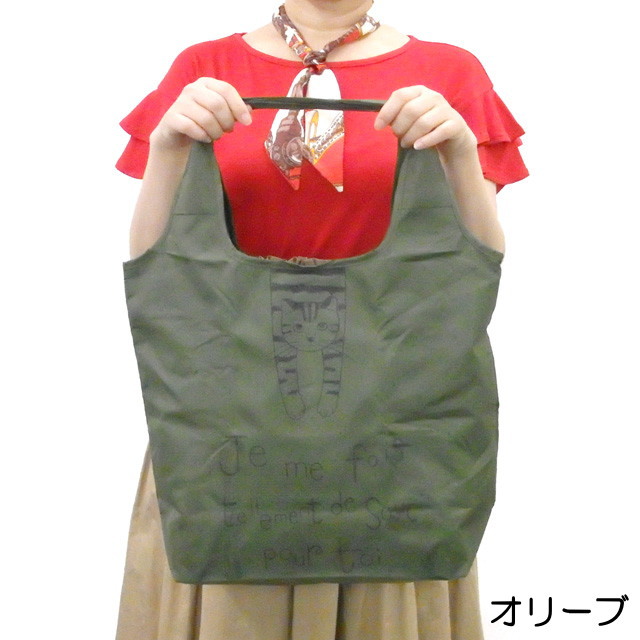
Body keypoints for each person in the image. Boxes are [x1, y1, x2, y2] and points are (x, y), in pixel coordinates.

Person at [116, 1, 528, 638]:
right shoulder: (204, 68)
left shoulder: (449, 74)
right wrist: (169, 146)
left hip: (394, 445)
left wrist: (459, 152)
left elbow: (472, 264)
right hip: (226, 447)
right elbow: (156, 265)